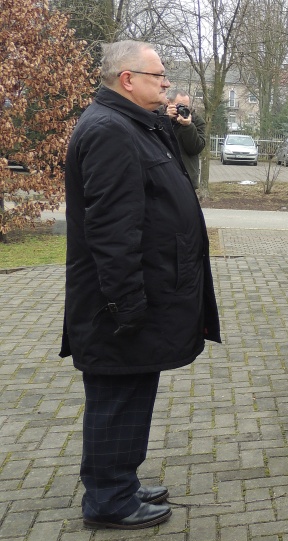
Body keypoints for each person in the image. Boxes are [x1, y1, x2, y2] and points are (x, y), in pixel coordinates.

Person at [61, 40, 221, 530]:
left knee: (130, 391)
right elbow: (112, 230)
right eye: (158, 76)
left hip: (139, 294)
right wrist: (126, 304)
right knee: (116, 396)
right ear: (127, 79)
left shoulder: (134, 125)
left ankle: (119, 482)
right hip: (119, 303)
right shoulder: (110, 131)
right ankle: (109, 500)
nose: (166, 83)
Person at [164, 89, 205, 190]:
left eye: (186, 107)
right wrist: (165, 119)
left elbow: (195, 149)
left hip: (186, 179)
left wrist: (188, 126)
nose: (183, 109)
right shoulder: (157, 115)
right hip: (162, 178)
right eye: (179, 106)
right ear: (169, 103)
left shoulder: (196, 120)